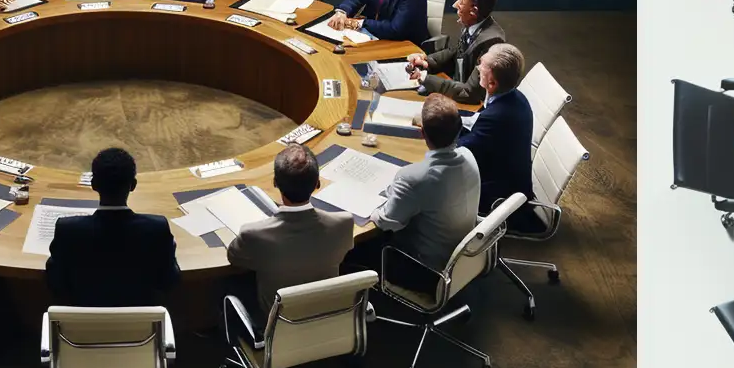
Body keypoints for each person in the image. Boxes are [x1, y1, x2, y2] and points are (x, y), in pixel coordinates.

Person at [226, 142, 356, 310]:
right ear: (317, 183)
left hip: (277, 324)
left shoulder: (252, 233)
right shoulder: (344, 223)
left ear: (275, 183)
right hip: (327, 317)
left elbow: (234, 258)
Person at [45, 148, 180, 307]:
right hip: (141, 327)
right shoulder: (156, 229)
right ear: (133, 185)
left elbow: (56, 283)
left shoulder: (68, 230)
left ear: (94, 184)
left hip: (82, 326)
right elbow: (169, 281)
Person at [371, 96, 481, 288]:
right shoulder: (469, 156)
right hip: (464, 258)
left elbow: (386, 222)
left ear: (422, 133)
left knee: (361, 248)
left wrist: (374, 207)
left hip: (424, 270)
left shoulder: (414, 178)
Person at [460, 43, 534, 217]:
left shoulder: (497, 116)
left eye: (482, 67)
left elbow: (463, 152)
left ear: (492, 83)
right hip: (508, 179)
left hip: (496, 198)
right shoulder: (515, 97)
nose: (478, 68)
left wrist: (438, 127)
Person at [408, 0, 507, 104]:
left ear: (474, 11)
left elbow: (470, 93)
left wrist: (425, 79)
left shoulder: (492, 42)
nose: (455, 5)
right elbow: (458, 53)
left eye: (461, 1)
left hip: (471, 106)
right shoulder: (473, 24)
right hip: (457, 88)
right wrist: (427, 61)